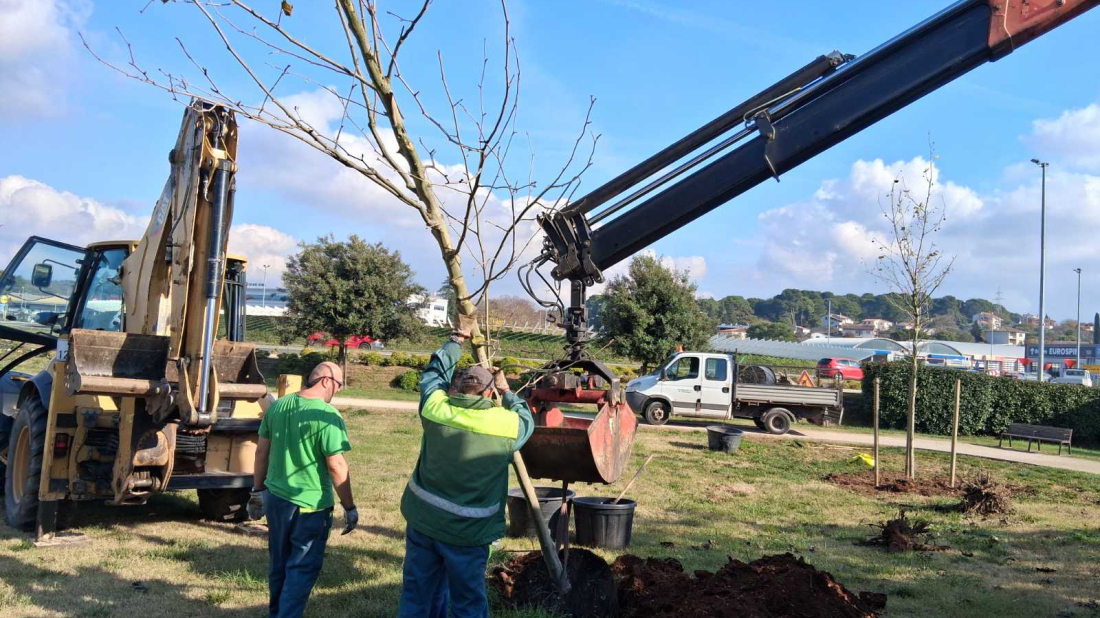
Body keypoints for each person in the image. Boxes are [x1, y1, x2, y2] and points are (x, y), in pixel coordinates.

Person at [398, 318, 535, 618]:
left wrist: (456, 339)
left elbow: (431, 378)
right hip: (468, 533)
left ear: (455, 389)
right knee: (468, 603)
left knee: (418, 596)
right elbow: (527, 420)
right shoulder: (506, 425)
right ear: (489, 394)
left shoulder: (435, 411)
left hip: (424, 522)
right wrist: (508, 392)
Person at [249, 361, 359, 618]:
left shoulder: (279, 406)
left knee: (279, 564)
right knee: (301, 568)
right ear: (326, 381)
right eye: (339, 386)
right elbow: (336, 466)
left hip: (276, 499)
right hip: (309, 506)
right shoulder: (327, 415)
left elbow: (261, 452)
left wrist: (257, 491)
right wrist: (349, 507)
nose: (338, 392)